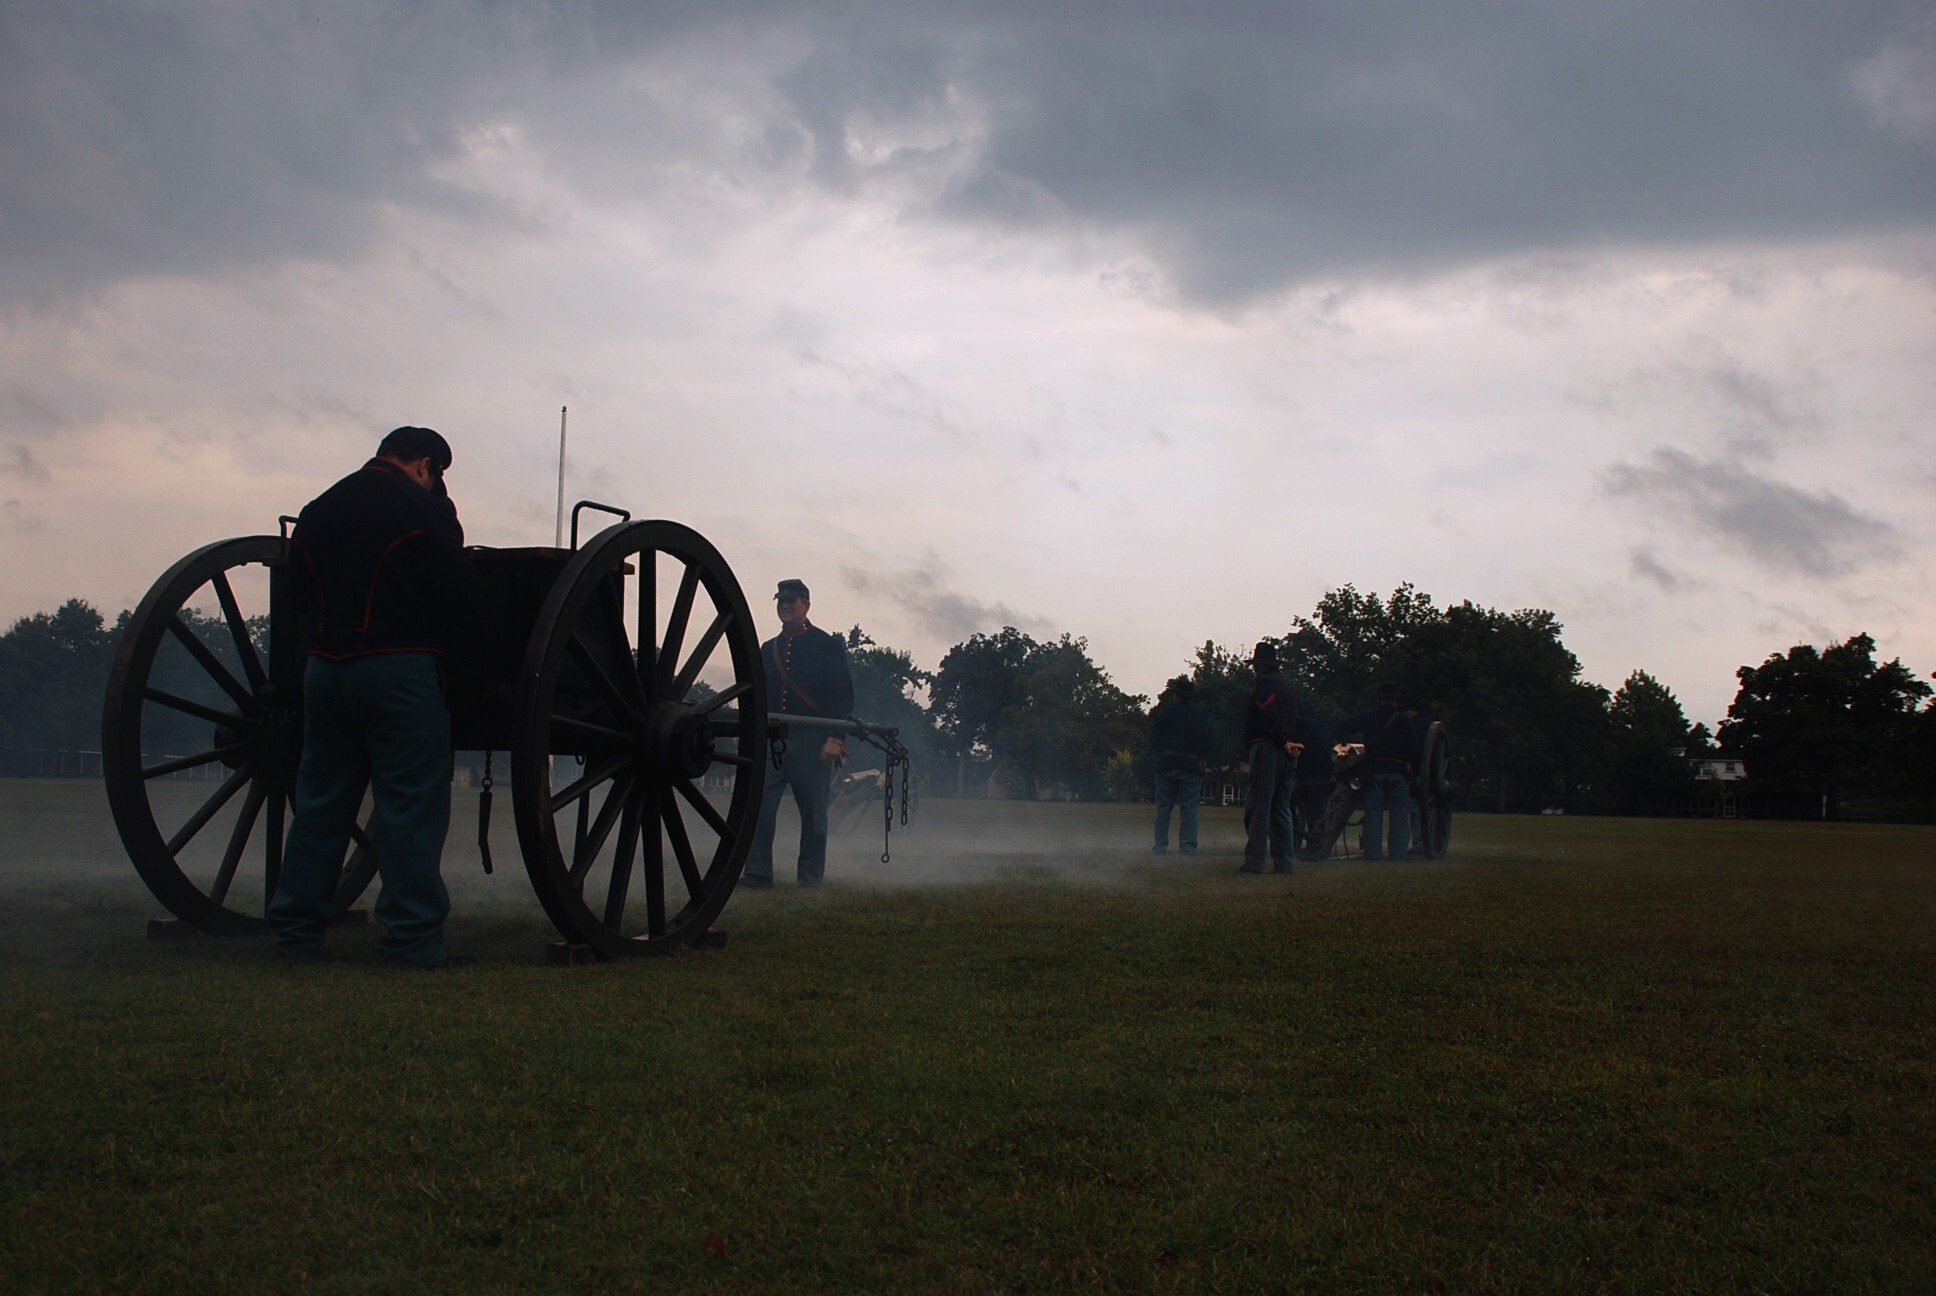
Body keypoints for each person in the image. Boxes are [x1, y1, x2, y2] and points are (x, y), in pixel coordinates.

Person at [268, 426, 484, 967]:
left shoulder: (318, 510)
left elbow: (298, 597)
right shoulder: (424, 509)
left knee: (319, 807)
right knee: (409, 806)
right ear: (425, 467)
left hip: (325, 672)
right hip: (399, 671)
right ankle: (411, 940)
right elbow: (461, 595)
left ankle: (296, 934)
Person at [745, 578, 854, 888]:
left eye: (793, 601)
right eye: (782, 600)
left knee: (815, 816)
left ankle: (809, 879)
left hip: (812, 740)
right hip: (773, 740)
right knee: (758, 808)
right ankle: (757, 873)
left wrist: (836, 737)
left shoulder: (827, 644)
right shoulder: (769, 649)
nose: (786, 606)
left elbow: (842, 695)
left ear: (806, 605)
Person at [1336, 683, 1424, 861]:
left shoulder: (1369, 718)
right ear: (1396, 701)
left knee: (1373, 814)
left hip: (1375, 771)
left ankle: (1372, 853)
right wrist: (1413, 772)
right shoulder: (1405, 721)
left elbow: (1341, 726)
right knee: (1399, 815)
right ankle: (1397, 854)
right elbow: (1415, 752)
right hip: (1398, 773)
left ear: (1379, 699)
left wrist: (1343, 747)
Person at [1240, 641, 1304, 874]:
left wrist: (1281, 741)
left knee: (1258, 807)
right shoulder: (1289, 686)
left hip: (1269, 747)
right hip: (1289, 750)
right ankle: (1285, 863)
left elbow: (1268, 717)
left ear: (1259, 666)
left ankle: (1254, 863)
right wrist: (1296, 743)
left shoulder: (1265, 684)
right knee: (1281, 810)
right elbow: (1301, 718)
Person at [1148, 676, 1219, 855]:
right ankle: (1187, 848)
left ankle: (1160, 846)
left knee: (1163, 809)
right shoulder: (1200, 716)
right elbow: (1210, 742)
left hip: (1167, 764)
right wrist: (1199, 756)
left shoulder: (1165, 715)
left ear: (1175, 696)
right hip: (1190, 765)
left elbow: (1154, 741)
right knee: (1189, 810)